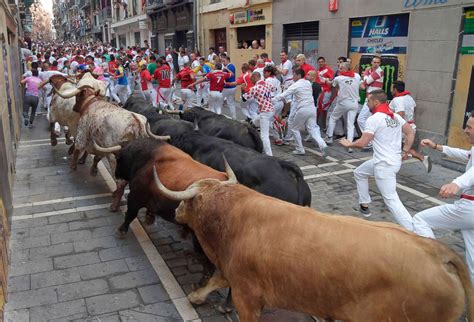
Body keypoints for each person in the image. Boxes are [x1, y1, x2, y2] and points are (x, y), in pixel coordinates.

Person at [340, 90, 415, 231]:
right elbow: (410, 132)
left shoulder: (374, 119)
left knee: (391, 199)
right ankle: (364, 205)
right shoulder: (395, 117)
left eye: (368, 101)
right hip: (388, 161)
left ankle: (414, 231)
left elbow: (363, 143)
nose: (366, 104)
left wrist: (349, 144)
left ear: (375, 102)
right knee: (359, 172)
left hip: (384, 165)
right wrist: (405, 150)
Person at [412, 114, 474, 282]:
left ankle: (436, 267)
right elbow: (465, 154)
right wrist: (437, 146)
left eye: (469, 127)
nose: (465, 130)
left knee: (420, 220)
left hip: (469, 208)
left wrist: (456, 183)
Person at [275, 69, 329, 156]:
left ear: (299, 75)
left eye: (294, 75)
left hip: (303, 109)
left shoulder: (295, 85)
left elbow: (284, 95)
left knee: (294, 128)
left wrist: (272, 100)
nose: (293, 77)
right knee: (313, 129)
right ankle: (323, 144)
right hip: (312, 109)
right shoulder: (307, 83)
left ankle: (300, 149)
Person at [390, 80, 432, 172]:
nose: (391, 91)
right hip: (411, 126)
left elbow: (400, 113)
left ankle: (391, 168)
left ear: (395, 89)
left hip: (403, 129)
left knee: (394, 147)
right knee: (404, 149)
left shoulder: (397, 100)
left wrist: (394, 127)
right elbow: (414, 109)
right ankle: (422, 158)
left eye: (392, 89)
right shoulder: (409, 98)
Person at [325, 62, 361, 152]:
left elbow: (332, 85)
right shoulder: (357, 76)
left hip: (343, 103)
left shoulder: (339, 78)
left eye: (341, 68)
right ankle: (350, 145)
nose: (339, 70)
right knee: (350, 124)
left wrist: (326, 81)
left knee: (333, 117)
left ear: (346, 69)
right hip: (354, 103)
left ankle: (329, 137)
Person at [243, 72, 275, 156]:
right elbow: (274, 89)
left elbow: (244, 98)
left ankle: (269, 155)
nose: (251, 81)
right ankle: (251, 131)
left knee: (264, 135)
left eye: (251, 79)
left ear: (254, 77)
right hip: (271, 110)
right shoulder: (267, 84)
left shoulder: (256, 87)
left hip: (265, 112)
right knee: (254, 122)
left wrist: (243, 90)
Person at [357, 56, 384, 136]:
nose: (376, 64)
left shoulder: (379, 71)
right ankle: (370, 139)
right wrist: (366, 77)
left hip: (372, 99)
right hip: (371, 98)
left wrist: (365, 73)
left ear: (380, 63)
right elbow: (366, 82)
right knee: (368, 120)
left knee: (361, 119)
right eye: (374, 62)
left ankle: (368, 139)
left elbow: (367, 82)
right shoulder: (371, 71)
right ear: (371, 62)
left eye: (378, 62)